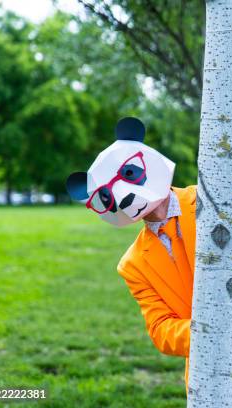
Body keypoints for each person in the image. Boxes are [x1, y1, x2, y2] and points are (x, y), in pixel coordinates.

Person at [66, 117, 195, 383]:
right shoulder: (133, 264)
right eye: (108, 196)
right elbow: (161, 330)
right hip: (211, 375)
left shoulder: (210, 201)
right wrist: (211, 332)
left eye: (129, 175)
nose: (124, 195)